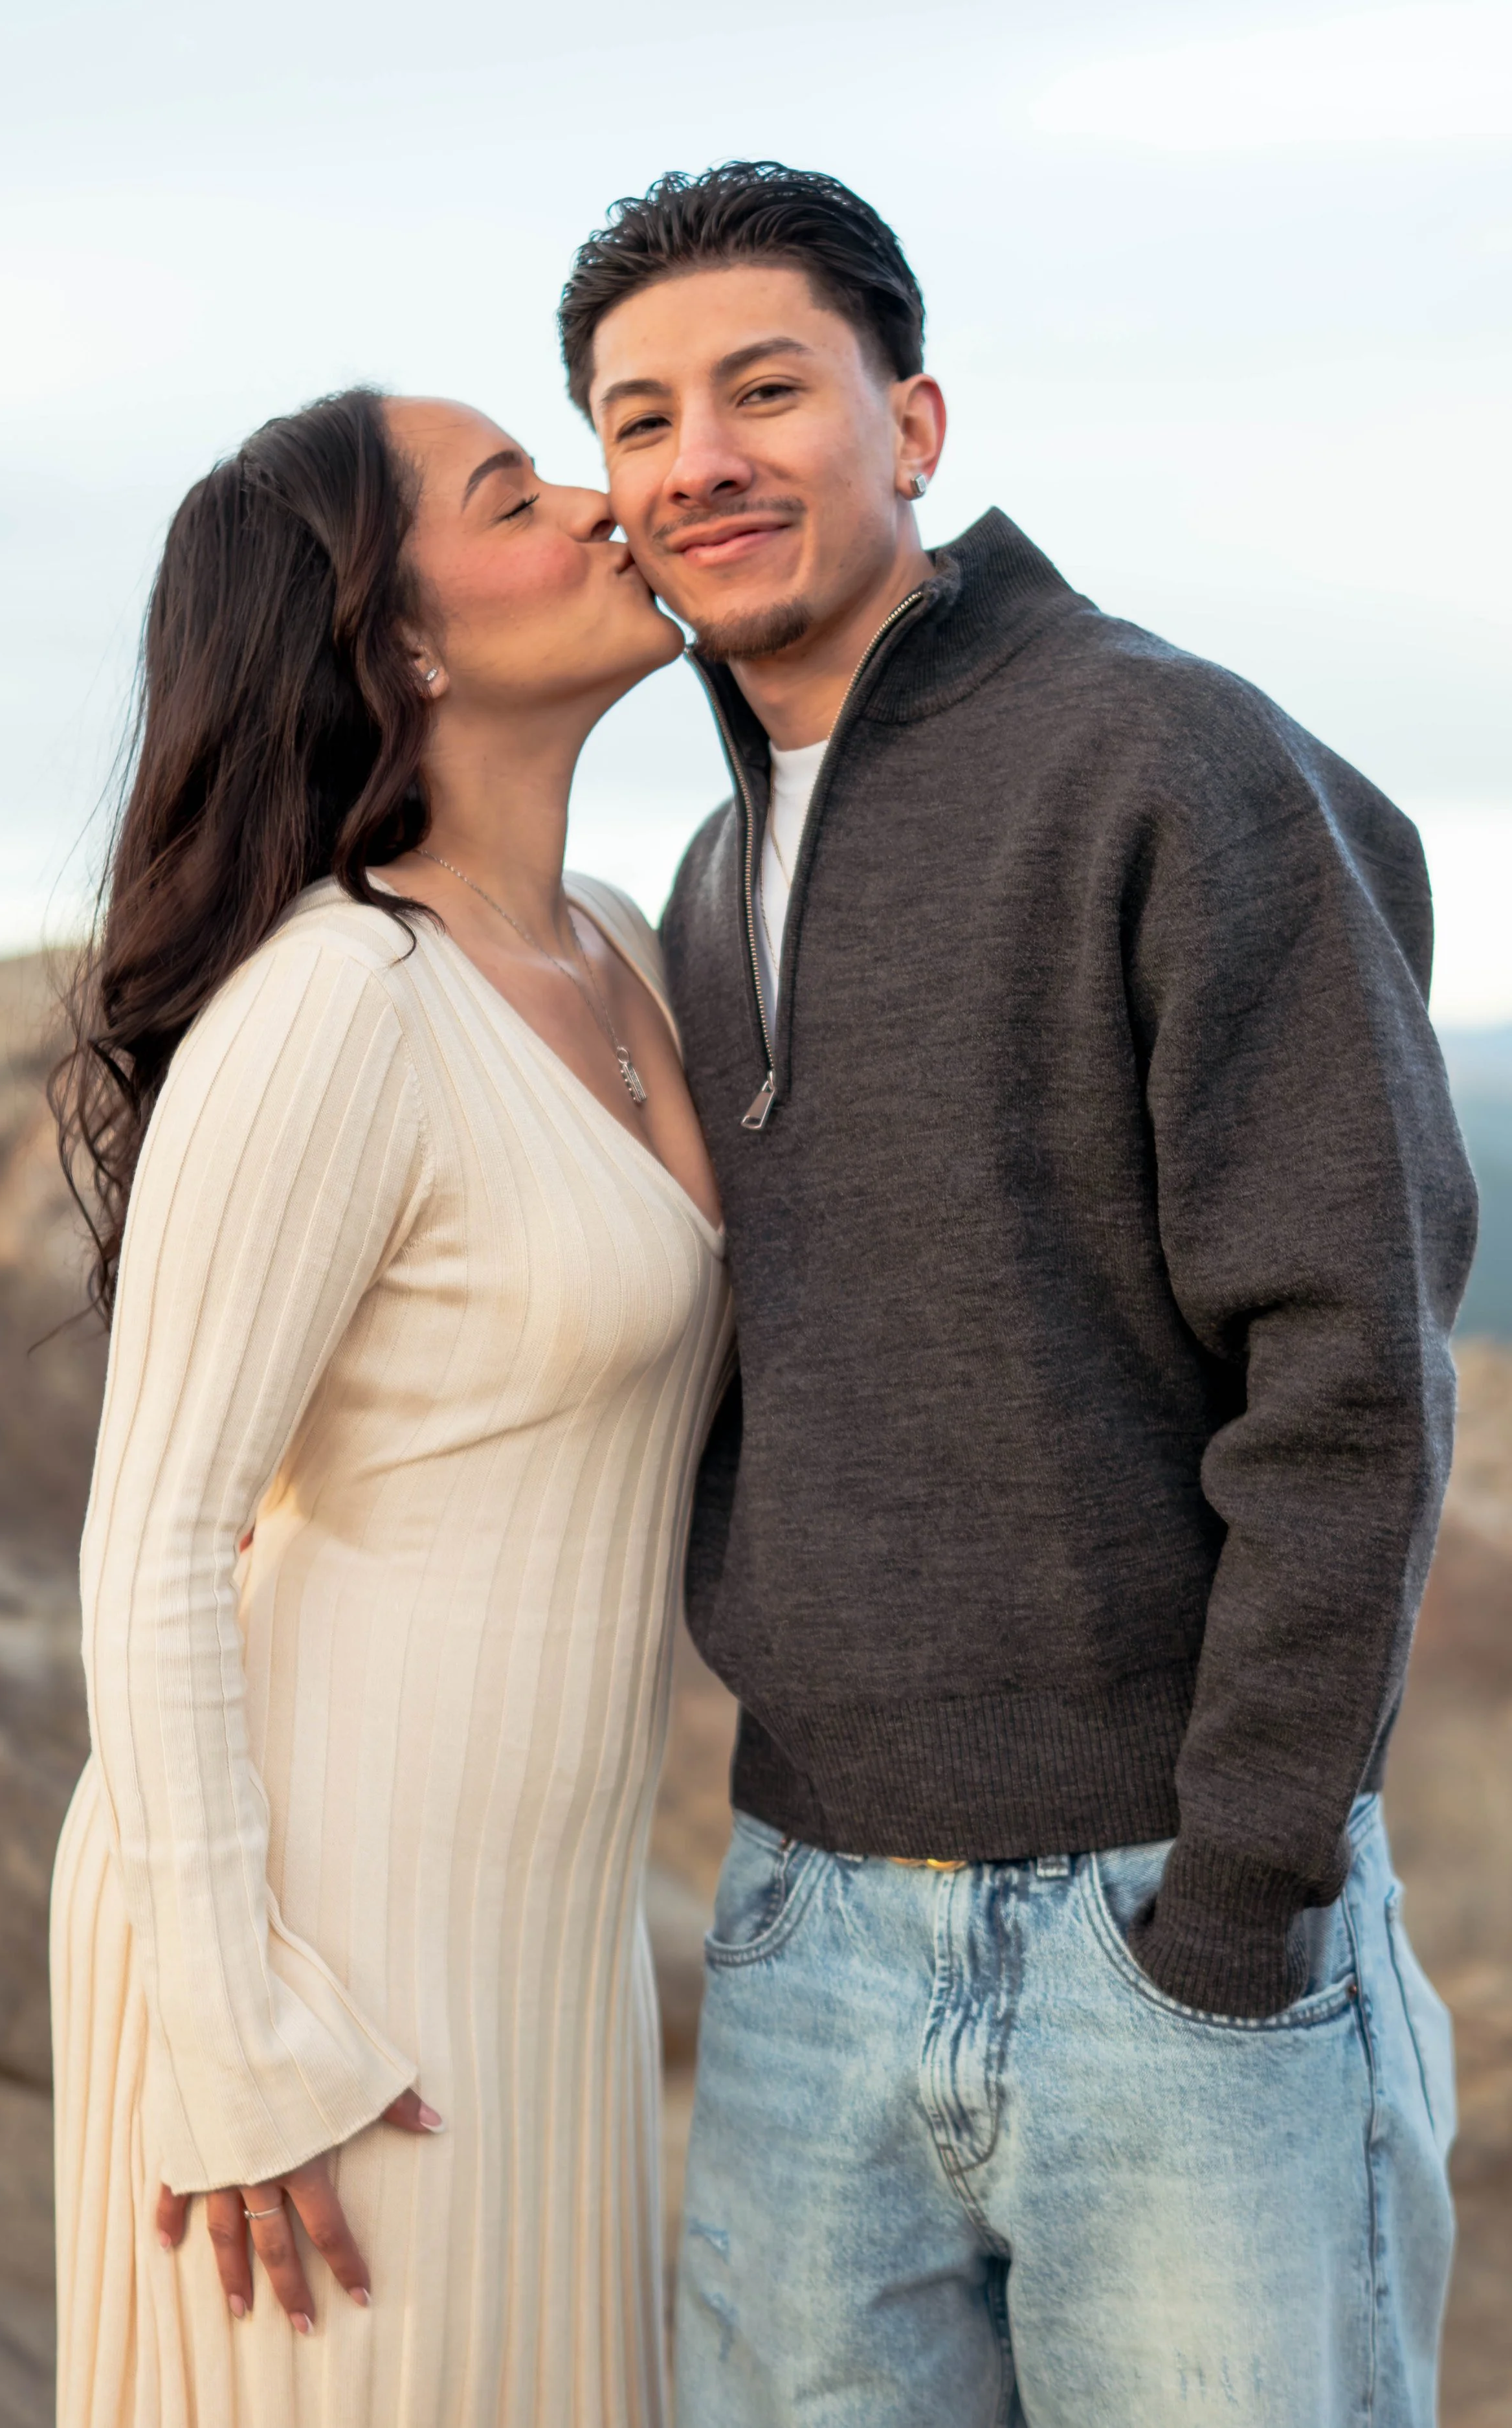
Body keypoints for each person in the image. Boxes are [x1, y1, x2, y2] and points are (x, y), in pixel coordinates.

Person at [559, 163, 1479, 2427]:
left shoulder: (1165, 756)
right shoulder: (707, 869)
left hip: (1169, 1937)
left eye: (767, 390)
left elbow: (1348, 1364)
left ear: (914, 422)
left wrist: (1237, 1900)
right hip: (801, 1925)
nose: (700, 459)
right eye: (640, 419)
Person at [49, 386, 731, 2428]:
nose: (608, 504)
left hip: (546, 1935)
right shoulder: (335, 999)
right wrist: (237, 2032)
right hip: (317, 1941)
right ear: (402, 640)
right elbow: (155, 1535)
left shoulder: (618, 947)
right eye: (519, 495)